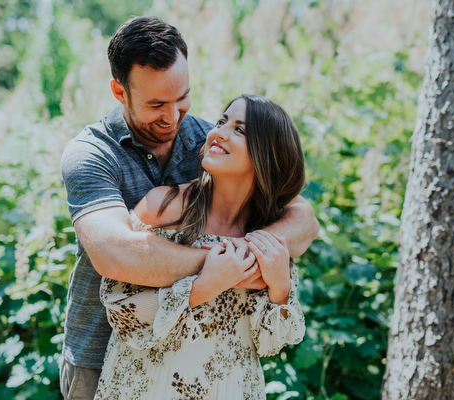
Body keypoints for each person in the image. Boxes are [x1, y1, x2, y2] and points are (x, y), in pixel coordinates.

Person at [60, 17, 319, 400]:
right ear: (120, 91)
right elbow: (115, 253)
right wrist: (226, 266)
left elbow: (303, 218)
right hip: (102, 355)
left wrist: (257, 264)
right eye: (156, 104)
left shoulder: (209, 139)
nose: (173, 116)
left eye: (182, 97)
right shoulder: (91, 154)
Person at [94, 94, 307, 399]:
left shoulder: (269, 235)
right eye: (222, 121)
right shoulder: (163, 208)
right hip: (149, 386)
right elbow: (120, 311)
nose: (218, 131)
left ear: (269, 157)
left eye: (240, 130)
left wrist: (280, 288)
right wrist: (203, 287)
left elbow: (274, 344)